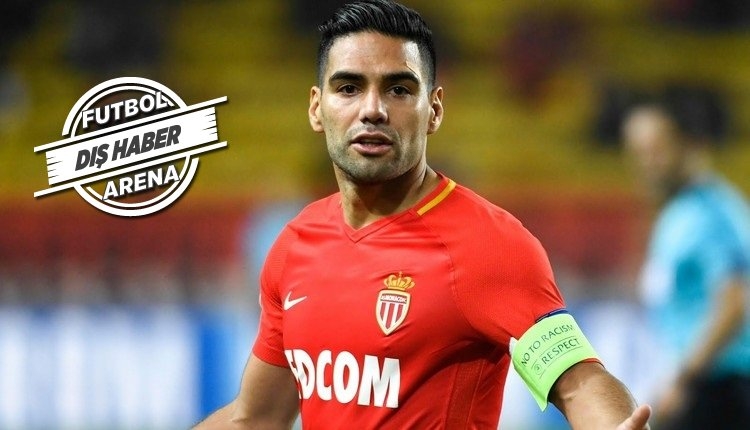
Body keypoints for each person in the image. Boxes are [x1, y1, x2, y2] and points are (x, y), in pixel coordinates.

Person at [195, 1, 651, 428]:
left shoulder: (489, 244)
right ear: (317, 108)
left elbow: (579, 383)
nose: (372, 110)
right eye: (349, 87)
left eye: (398, 89)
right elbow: (256, 417)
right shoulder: (295, 244)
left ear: (433, 110)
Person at [621, 89, 750, 430]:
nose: (646, 163)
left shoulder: (713, 213)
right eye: (638, 152)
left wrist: (684, 379)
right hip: (701, 386)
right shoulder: (677, 213)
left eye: (656, 150)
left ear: (691, 145)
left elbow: (734, 305)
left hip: (721, 389)